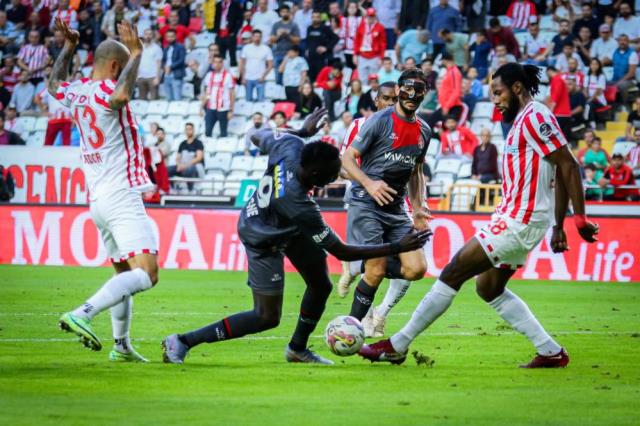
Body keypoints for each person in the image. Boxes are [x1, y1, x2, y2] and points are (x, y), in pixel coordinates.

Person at [360, 62, 600, 368]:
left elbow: (569, 164)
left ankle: (397, 344)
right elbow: (559, 168)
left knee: (453, 271)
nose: (495, 100)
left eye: (498, 93)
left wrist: (578, 219)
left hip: (519, 220)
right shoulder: (522, 120)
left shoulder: (535, 116)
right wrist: (558, 226)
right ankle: (550, 351)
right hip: (517, 217)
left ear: (516, 88)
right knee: (489, 288)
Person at [161, 108, 431, 365]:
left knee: (321, 285)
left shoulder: (290, 145)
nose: (334, 180)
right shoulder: (300, 203)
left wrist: (300, 131)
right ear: (315, 175)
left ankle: (297, 349)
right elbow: (341, 251)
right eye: (331, 177)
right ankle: (182, 341)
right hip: (262, 235)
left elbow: (256, 134)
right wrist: (396, 246)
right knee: (266, 317)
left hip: (288, 226)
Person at [51, 19, 159, 362]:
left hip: (98, 199)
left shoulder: (79, 91)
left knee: (124, 273)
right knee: (147, 273)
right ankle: (82, 313)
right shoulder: (107, 91)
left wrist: (68, 47)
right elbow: (121, 95)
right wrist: (137, 53)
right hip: (121, 194)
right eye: (124, 67)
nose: (128, 74)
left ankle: (122, 346)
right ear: (114, 66)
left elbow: (54, 85)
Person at [341, 69, 432, 327]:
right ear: (399, 90)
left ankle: (361, 264)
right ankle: (351, 328)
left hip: (396, 208)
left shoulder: (424, 130)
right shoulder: (379, 121)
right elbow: (347, 158)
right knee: (377, 269)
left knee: (416, 269)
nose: (412, 95)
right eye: (407, 89)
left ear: (425, 94)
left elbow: (416, 171)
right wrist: (369, 183)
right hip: (366, 203)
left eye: (418, 91)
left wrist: (418, 208)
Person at [202, 55, 235, 138]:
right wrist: (201, 107)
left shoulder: (228, 76)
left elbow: (232, 93)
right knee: (207, 132)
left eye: (219, 62)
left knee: (223, 132)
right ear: (212, 63)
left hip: (223, 108)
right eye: (215, 62)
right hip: (210, 108)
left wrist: (231, 110)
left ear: (222, 63)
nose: (217, 64)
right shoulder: (209, 75)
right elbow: (206, 92)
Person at [427, 52, 462, 128]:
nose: (441, 62)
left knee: (432, 123)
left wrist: (447, 106)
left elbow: (456, 91)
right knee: (433, 124)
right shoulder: (450, 71)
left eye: (442, 60)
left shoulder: (454, 72)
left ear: (445, 60)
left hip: (452, 107)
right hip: (446, 106)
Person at [168, 122, 205, 190]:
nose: (188, 131)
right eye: (186, 129)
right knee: (168, 170)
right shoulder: (182, 144)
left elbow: (199, 158)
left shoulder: (198, 143)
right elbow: (178, 158)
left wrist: (185, 165)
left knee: (189, 170)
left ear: (193, 130)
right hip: (183, 166)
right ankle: (172, 189)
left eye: (190, 129)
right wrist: (179, 165)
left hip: (194, 167)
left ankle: (190, 189)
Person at [269, 4, 300, 86]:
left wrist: (288, 35)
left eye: (286, 12)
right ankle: (278, 93)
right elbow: (271, 40)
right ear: (280, 13)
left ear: (289, 13)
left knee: (290, 77)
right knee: (278, 78)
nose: (285, 13)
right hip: (278, 53)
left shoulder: (294, 25)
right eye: (283, 12)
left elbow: (297, 40)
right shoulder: (276, 25)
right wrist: (278, 35)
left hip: (290, 55)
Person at [239, 29, 273, 103]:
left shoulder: (266, 49)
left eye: (259, 36)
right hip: (248, 78)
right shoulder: (246, 48)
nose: (257, 38)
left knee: (261, 101)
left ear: (261, 37)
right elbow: (242, 63)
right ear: (252, 37)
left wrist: (263, 76)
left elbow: (270, 65)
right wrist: (242, 77)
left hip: (260, 78)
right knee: (248, 101)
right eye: (255, 36)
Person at [354, 8, 386, 85]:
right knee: (362, 79)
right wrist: (355, 54)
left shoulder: (380, 27)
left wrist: (381, 58)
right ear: (366, 16)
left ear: (375, 16)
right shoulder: (361, 26)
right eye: (369, 16)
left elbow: (383, 44)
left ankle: (374, 92)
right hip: (362, 56)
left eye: (372, 16)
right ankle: (364, 92)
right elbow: (356, 41)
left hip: (374, 56)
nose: (370, 18)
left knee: (374, 79)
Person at [305, 10, 339, 81]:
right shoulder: (309, 28)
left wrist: (326, 48)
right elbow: (308, 40)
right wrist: (307, 49)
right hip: (311, 58)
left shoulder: (325, 28)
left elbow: (335, 38)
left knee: (321, 78)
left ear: (320, 18)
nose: (315, 19)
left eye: (317, 17)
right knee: (311, 78)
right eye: (313, 17)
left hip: (321, 58)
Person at [546, 66, 572, 145]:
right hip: (564, 113)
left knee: (558, 140)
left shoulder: (556, 79)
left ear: (549, 71)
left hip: (559, 113)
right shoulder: (560, 79)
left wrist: (550, 111)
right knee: (563, 139)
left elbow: (556, 96)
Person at [611, 34, 638, 107]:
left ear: (628, 42)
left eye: (624, 40)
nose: (622, 42)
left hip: (630, 80)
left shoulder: (632, 54)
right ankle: (610, 106)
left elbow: (631, 73)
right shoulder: (615, 52)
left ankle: (624, 105)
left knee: (621, 85)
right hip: (615, 79)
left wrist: (619, 81)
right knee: (605, 84)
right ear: (618, 42)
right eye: (620, 40)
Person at [214, 0, 243, 67]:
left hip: (230, 33)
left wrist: (234, 32)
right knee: (220, 55)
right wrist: (216, 30)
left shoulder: (235, 5)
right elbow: (216, 18)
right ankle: (221, 70)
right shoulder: (218, 4)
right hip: (220, 33)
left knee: (232, 55)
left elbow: (240, 19)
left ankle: (234, 71)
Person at [137, 28, 163, 101]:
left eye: (150, 34)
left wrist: (157, 78)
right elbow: (137, 62)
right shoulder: (140, 48)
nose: (148, 36)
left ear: (153, 36)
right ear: (143, 36)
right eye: (146, 34)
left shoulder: (157, 48)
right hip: (141, 77)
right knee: (142, 100)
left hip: (152, 77)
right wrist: (137, 76)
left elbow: (159, 64)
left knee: (154, 100)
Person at [162, 29, 186, 101]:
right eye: (168, 36)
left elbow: (181, 60)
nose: (170, 38)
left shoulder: (180, 47)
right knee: (168, 98)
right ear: (166, 37)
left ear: (175, 37)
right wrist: (164, 67)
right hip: (166, 75)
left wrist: (170, 67)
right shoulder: (166, 48)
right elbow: (163, 60)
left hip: (176, 75)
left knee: (177, 98)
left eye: (172, 36)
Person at [339, 1, 362, 69]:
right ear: (347, 9)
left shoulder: (359, 19)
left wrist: (360, 7)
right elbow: (341, 33)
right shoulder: (343, 19)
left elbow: (367, 15)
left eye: (354, 7)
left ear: (357, 9)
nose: (352, 9)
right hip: (345, 48)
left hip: (356, 48)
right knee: (347, 68)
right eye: (350, 7)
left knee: (356, 68)